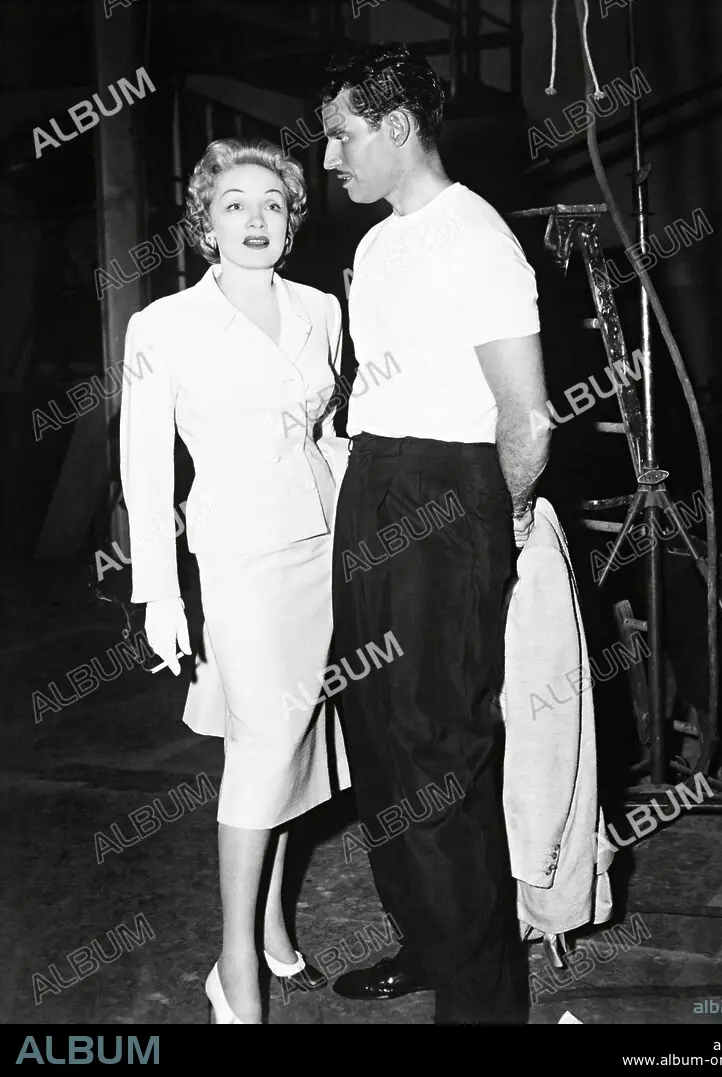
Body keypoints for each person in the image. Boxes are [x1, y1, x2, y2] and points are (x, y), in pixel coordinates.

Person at [321, 44, 552, 1025]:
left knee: (437, 749)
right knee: (376, 733)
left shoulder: (479, 239)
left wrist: (499, 523)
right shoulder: (378, 245)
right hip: (373, 480)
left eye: (342, 135)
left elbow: (526, 416)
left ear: (398, 126)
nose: (329, 157)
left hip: (449, 494)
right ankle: (426, 938)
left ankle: (479, 1002)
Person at [119, 138, 350, 1025]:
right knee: (263, 744)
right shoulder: (164, 325)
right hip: (240, 560)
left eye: (273, 204)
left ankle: (275, 924)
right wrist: (159, 591)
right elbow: (146, 468)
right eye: (234, 204)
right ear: (204, 224)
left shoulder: (322, 309)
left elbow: (330, 433)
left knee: (300, 737)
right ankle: (234, 962)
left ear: (292, 222)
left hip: (324, 546)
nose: (256, 220)